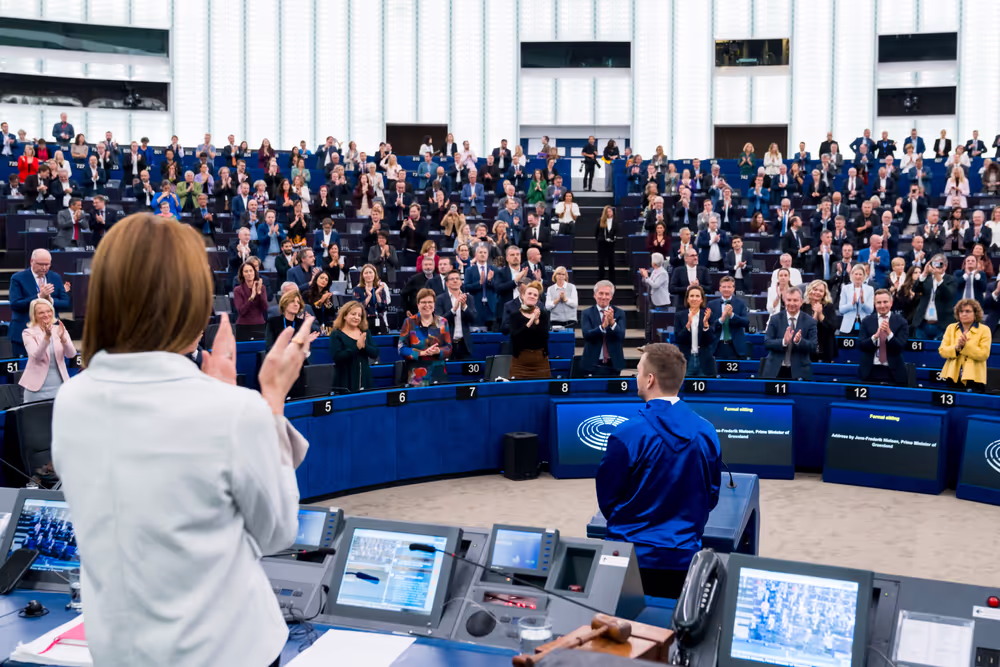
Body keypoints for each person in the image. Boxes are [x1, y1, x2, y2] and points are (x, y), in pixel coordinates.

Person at [52, 213, 315, 667]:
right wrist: (269, 401)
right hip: (230, 652)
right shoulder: (233, 412)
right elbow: (277, 532)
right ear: (190, 302)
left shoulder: (71, 401)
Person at [596, 342, 721, 599]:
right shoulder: (707, 432)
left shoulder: (625, 435)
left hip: (629, 557)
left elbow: (608, 501)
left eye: (639, 371)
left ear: (650, 379)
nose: (636, 377)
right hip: (684, 557)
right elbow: (711, 497)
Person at [9, 249, 70, 358]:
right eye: (41, 264)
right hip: (24, 330)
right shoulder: (18, 278)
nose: (44, 268)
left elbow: (66, 303)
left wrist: (50, 300)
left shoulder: (55, 277)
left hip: (51, 331)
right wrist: (39, 297)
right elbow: (15, 304)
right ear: (32, 261)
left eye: (47, 264)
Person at [19, 299, 77, 403]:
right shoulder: (28, 333)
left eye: (48, 311)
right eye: (41, 312)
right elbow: (38, 357)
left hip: (60, 387)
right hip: (36, 390)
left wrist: (63, 338)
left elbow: (71, 354)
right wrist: (47, 337)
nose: (46, 314)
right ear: (34, 315)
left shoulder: (60, 329)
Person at [761, 288, 818, 380]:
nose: (792, 303)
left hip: (800, 371)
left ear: (801, 301)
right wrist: (783, 342)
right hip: (775, 370)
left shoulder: (810, 321)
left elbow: (813, 346)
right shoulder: (775, 319)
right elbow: (767, 343)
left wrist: (799, 341)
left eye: (795, 300)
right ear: (784, 301)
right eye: (789, 300)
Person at [398, 288, 451, 386]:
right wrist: (421, 353)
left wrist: (438, 351)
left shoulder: (443, 322)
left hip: (438, 374)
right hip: (416, 377)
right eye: (423, 302)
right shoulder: (409, 322)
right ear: (418, 305)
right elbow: (402, 348)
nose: (427, 305)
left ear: (434, 304)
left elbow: (448, 348)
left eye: (430, 302)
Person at [857, 289, 910, 385]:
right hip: (870, 370)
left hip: (894, 371)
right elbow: (861, 345)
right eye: (879, 302)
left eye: (885, 302)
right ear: (874, 304)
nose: (882, 306)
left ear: (891, 302)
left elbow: (901, 347)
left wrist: (889, 334)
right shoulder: (866, 321)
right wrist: (875, 336)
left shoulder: (901, 322)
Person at [939, 299, 992, 390]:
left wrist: (965, 346)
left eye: (968, 311)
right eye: (961, 311)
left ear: (975, 313)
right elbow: (942, 351)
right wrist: (957, 348)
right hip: (953, 375)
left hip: (975, 377)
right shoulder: (951, 328)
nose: (964, 314)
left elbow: (984, 354)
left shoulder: (984, 330)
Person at [329, 301, 379, 393]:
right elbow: (337, 357)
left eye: (359, 315)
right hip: (344, 381)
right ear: (344, 315)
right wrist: (356, 347)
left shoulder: (365, 332)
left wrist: (364, 346)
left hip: (364, 379)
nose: (356, 317)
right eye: (353, 314)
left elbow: (375, 353)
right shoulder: (336, 334)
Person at [579, 281, 626, 376]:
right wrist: (602, 327)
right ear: (595, 295)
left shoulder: (619, 313)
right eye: (601, 293)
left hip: (613, 363)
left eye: (607, 294)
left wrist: (612, 323)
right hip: (592, 362)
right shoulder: (586, 313)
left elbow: (621, 336)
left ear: (611, 297)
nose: (604, 297)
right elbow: (587, 335)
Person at [508, 281, 551, 379]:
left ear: (537, 299)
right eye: (529, 293)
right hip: (520, 364)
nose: (532, 296)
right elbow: (515, 337)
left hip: (541, 363)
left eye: (535, 295)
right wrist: (531, 320)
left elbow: (545, 336)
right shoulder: (515, 315)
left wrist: (537, 321)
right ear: (523, 296)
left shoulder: (543, 315)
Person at [912, 254, 957, 340]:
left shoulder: (951, 279)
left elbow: (948, 294)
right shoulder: (926, 278)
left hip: (942, 325)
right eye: (934, 264)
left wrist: (938, 278)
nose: (936, 267)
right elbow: (915, 289)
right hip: (923, 323)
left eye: (939, 264)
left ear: (945, 266)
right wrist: (924, 273)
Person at [434, 270, 477, 360]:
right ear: (447, 283)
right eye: (452, 279)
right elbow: (439, 321)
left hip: (464, 345)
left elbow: (473, 318)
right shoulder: (440, 299)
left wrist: (464, 306)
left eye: (457, 278)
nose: (455, 281)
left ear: (461, 282)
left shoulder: (469, 298)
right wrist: (453, 309)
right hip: (447, 344)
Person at [674, 285, 715, 377]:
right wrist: (688, 324)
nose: (694, 299)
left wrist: (705, 324)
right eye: (691, 296)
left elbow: (711, 340)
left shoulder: (708, 315)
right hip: (686, 359)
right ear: (687, 299)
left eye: (697, 296)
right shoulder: (680, 315)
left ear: (701, 299)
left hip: (704, 360)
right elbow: (678, 339)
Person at [708, 276, 749, 360]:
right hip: (717, 346)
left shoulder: (740, 303)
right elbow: (709, 326)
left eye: (729, 287)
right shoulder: (711, 304)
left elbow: (746, 322)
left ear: (733, 289)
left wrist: (732, 316)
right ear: (719, 288)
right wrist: (721, 320)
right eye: (724, 287)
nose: (726, 289)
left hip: (735, 348)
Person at [802, 280, 838, 363]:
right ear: (810, 290)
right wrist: (815, 314)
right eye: (815, 289)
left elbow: (833, 328)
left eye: (821, 291)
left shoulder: (829, 307)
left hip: (826, 346)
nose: (817, 292)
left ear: (824, 294)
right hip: (807, 347)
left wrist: (820, 314)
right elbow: (804, 328)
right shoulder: (804, 306)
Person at [352, 263, 390, 335]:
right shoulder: (357, 289)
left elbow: (382, 308)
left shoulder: (380, 289)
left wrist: (377, 295)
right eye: (366, 273)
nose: (368, 275)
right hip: (363, 321)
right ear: (362, 275)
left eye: (370, 272)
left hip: (378, 320)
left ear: (375, 274)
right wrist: (369, 296)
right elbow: (357, 307)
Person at [838, 265, 875, 333]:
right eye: (856, 274)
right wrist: (851, 304)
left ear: (864, 276)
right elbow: (841, 309)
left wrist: (863, 302)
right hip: (848, 325)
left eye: (860, 274)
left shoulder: (870, 289)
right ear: (852, 275)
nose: (858, 276)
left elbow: (870, 310)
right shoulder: (845, 288)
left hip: (865, 324)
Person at [595, 205, 618, 283]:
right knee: (601, 263)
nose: (609, 213)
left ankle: (612, 281)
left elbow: (617, 232)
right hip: (602, 244)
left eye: (610, 211)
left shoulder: (615, 222)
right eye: (607, 211)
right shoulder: (600, 221)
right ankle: (600, 280)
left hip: (611, 245)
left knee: (611, 263)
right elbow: (596, 233)